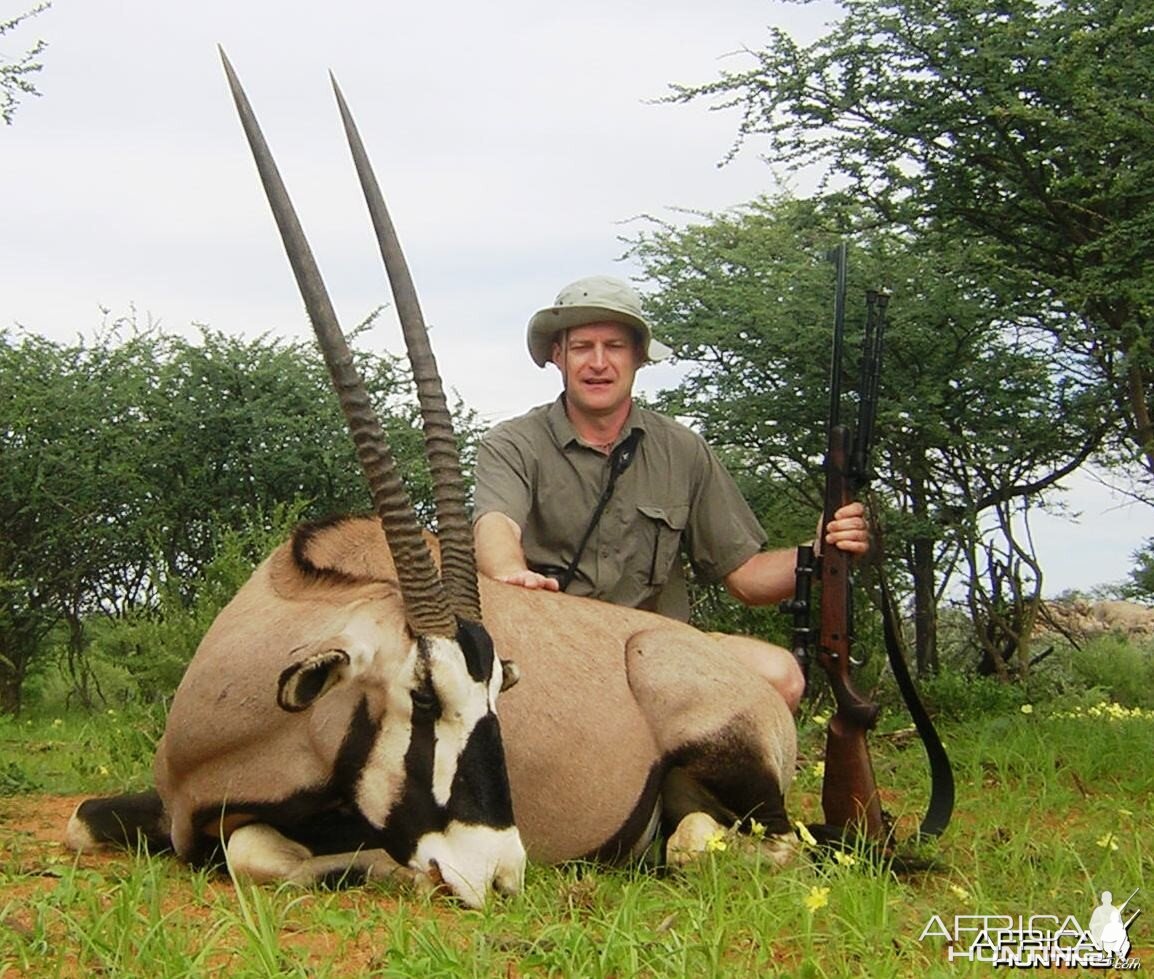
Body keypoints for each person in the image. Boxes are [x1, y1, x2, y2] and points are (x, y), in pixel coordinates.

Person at [472, 275, 870, 711]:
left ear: (639, 357)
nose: (598, 363)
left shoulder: (682, 449)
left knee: (779, 676)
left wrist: (822, 550)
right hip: (554, 651)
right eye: (583, 347)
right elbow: (496, 525)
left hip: (656, 653)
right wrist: (512, 573)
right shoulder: (511, 444)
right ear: (558, 356)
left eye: (615, 347)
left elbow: (748, 580)